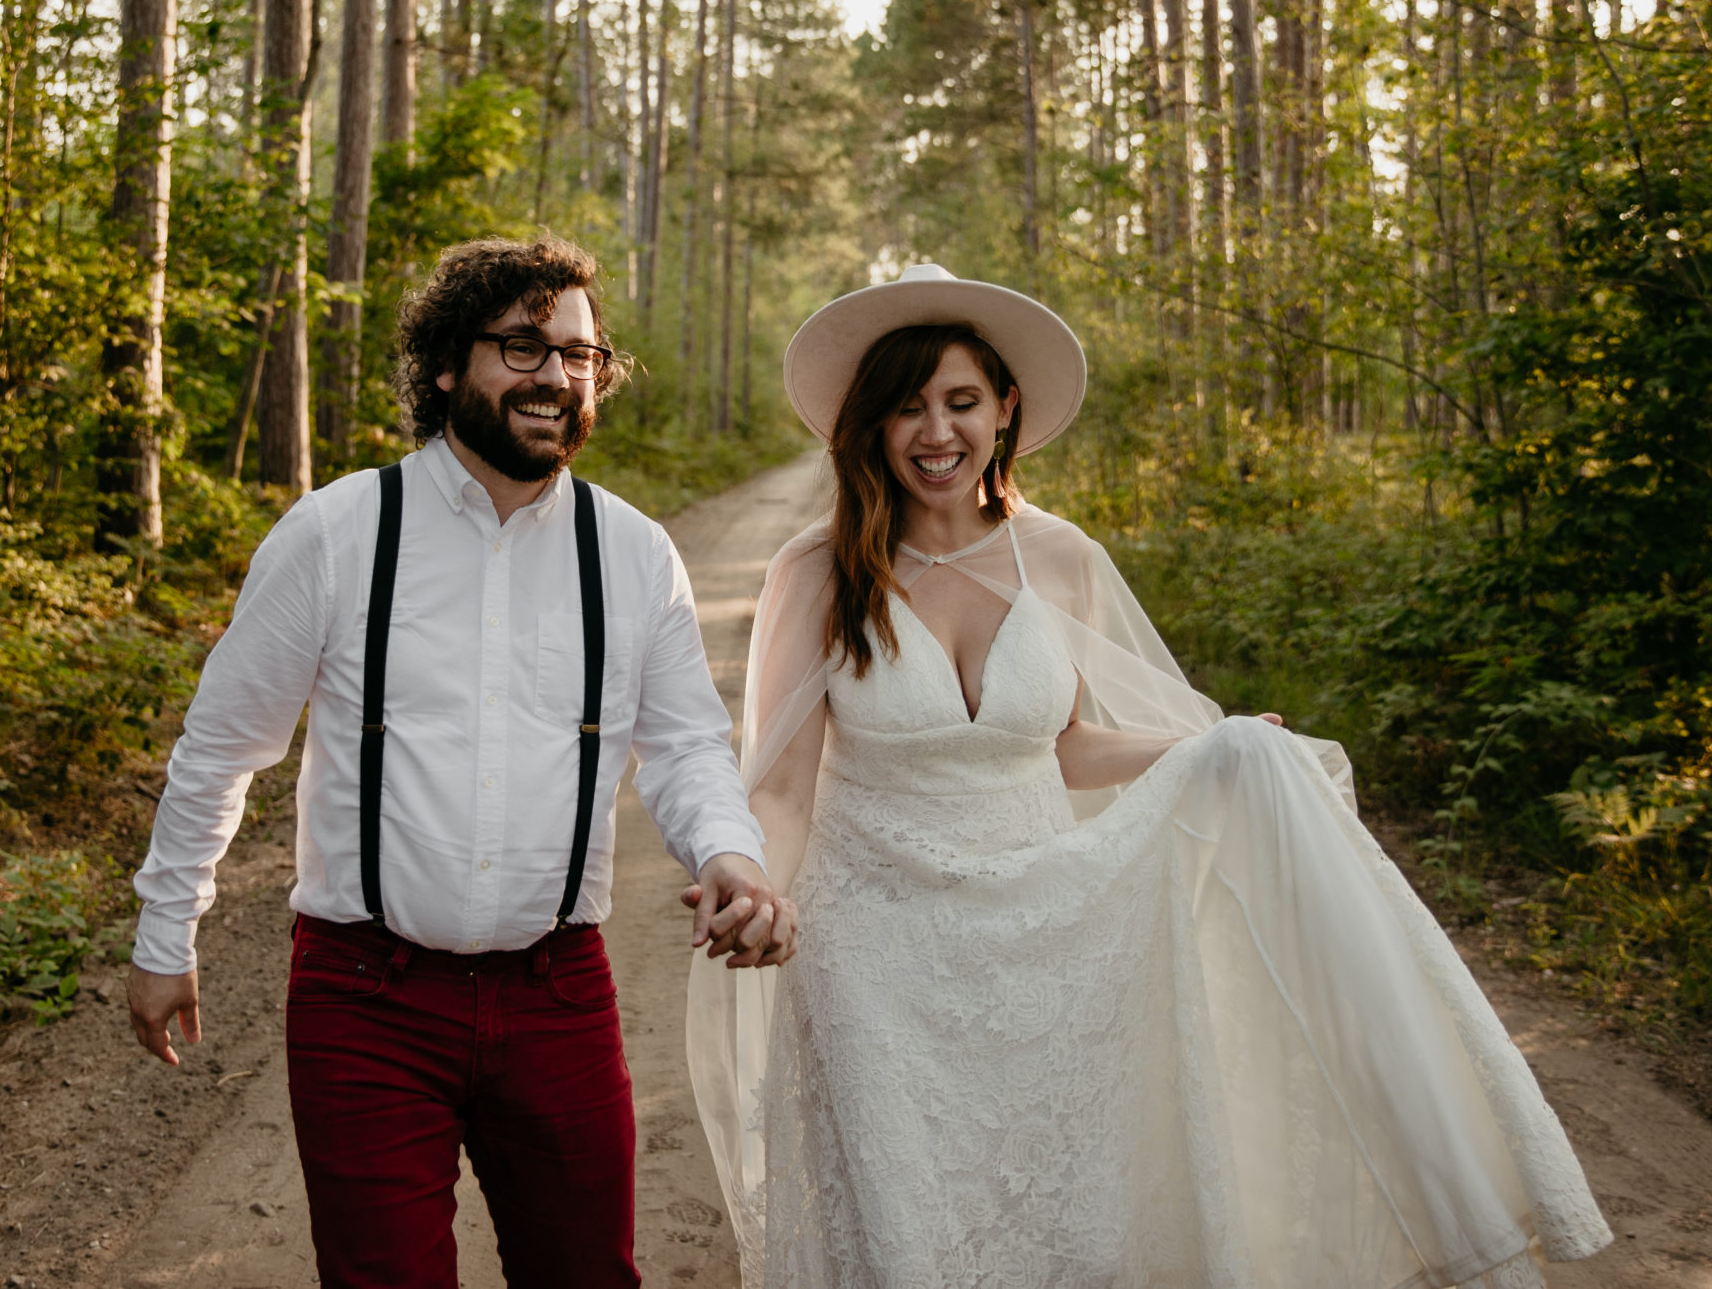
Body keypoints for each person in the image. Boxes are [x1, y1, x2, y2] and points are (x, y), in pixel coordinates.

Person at [687, 263, 1613, 1288]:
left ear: (1004, 409)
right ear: (867, 424)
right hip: (874, 944)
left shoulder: (1059, 556)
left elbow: (1064, 744)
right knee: (907, 1213)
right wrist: (759, 881)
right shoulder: (815, 573)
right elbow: (776, 783)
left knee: (1057, 1199)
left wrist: (1205, 748)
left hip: (1047, 930)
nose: (934, 433)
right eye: (906, 408)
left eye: (958, 402)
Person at [126, 235, 796, 1289]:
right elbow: (221, 747)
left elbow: (681, 748)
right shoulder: (337, 533)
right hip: (364, 994)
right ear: (447, 366)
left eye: (578, 356)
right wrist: (167, 933)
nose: (556, 377)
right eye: (522, 347)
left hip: (557, 993)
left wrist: (729, 853)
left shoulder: (631, 554)